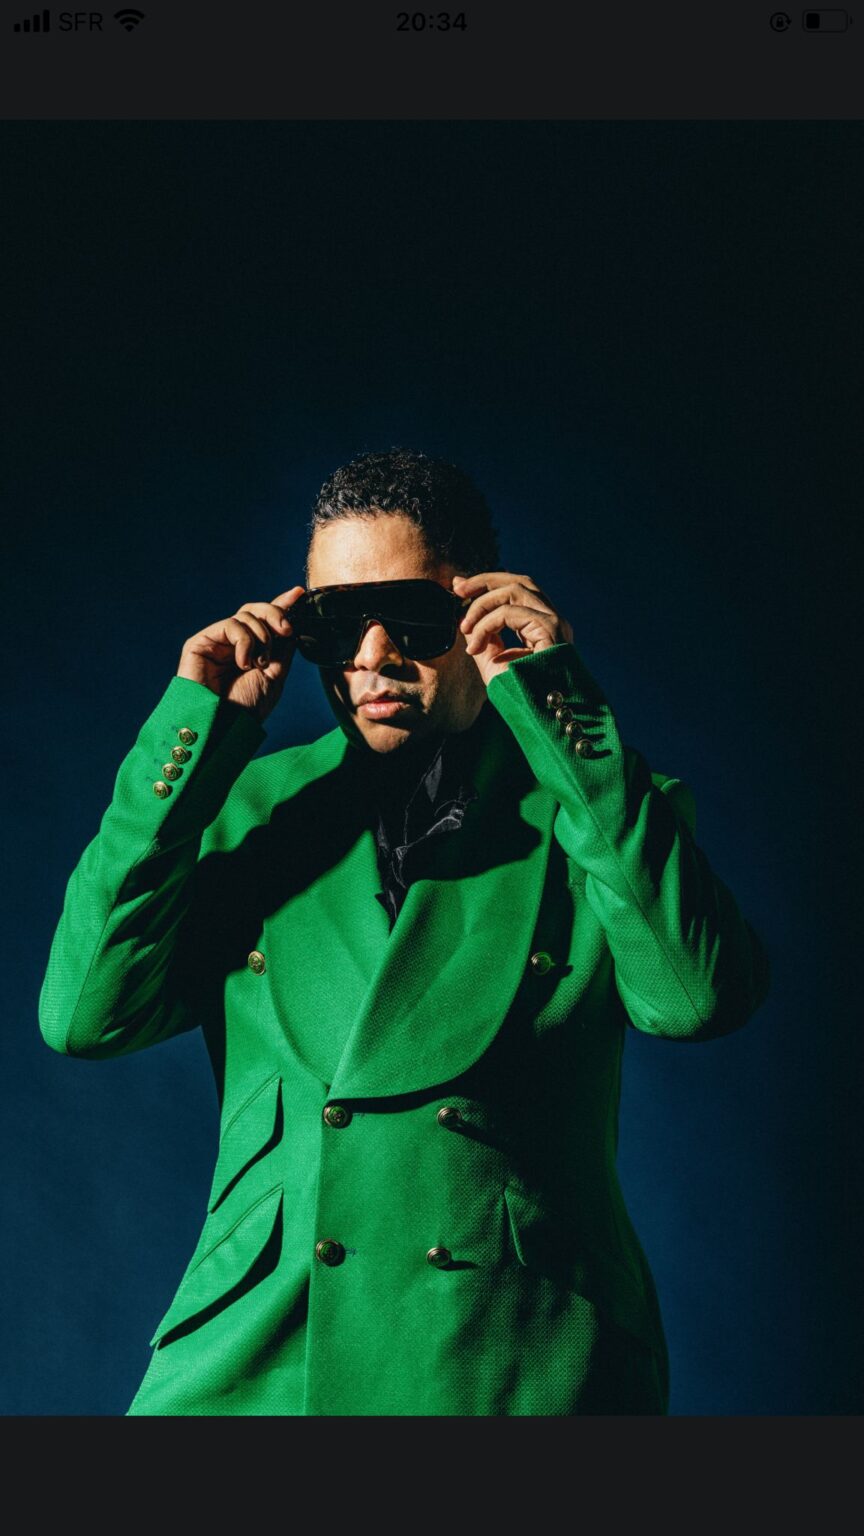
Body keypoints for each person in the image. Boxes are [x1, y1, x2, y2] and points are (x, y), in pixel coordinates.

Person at [38, 447, 771, 1416]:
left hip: (507, 1360)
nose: (372, 655)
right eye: (337, 623)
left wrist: (560, 709)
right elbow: (83, 1015)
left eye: (413, 618)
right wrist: (196, 727)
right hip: (265, 1364)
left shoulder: (594, 809)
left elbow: (697, 997)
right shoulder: (244, 809)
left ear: (483, 609)